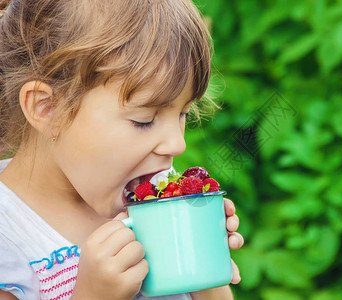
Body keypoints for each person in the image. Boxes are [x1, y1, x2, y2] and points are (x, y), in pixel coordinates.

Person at [0, 0, 244, 299]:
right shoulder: (8, 240)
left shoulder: (151, 191)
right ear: (47, 108)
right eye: (144, 120)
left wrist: (204, 267)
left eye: (184, 114)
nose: (177, 144)